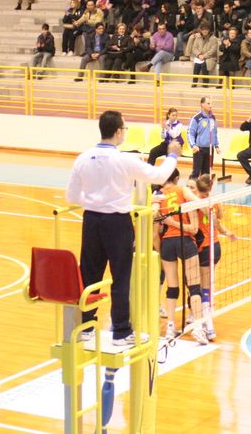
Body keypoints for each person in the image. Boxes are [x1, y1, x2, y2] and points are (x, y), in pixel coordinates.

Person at [66, 110, 181, 347]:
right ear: (118, 131)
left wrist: (95, 202)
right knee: (120, 277)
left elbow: (72, 197)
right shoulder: (124, 160)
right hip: (117, 223)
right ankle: (120, 331)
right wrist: (172, 156)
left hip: (91, 221)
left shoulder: (83, 158)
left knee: (89, 273)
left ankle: (86, 325)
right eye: (125, 129)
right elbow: (159, 176)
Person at [153, 169, 209, 345]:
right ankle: (198, 327)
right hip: (185, 241)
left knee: (172, 287)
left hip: (167, 244)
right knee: (194, 286)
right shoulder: (183, 193)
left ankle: (170, 327)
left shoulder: (158, 196)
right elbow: (194, 228)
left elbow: (154, 219)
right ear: (177, 178)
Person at [194, 174, 234, 341]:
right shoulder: (215, 202)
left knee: (201, 286)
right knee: (209, 284)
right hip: (215, 246)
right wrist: (228, 233)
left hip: (203, 248)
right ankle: (204, 317)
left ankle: (208, 326)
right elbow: (218, 221)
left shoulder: (194, 202)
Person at [188, 96, 220, 179]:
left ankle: (203, 187)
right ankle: (191, 185)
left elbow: (214, 132)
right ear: (202, 104)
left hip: (210, 149)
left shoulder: (212, 117)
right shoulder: (196, 118)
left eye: (211, 103)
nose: (211, 105)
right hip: (199, 149)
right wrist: (193, 145)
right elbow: (190, 133)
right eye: (208, 103)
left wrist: (216, 146)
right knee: (196, 172)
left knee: (206, 174)